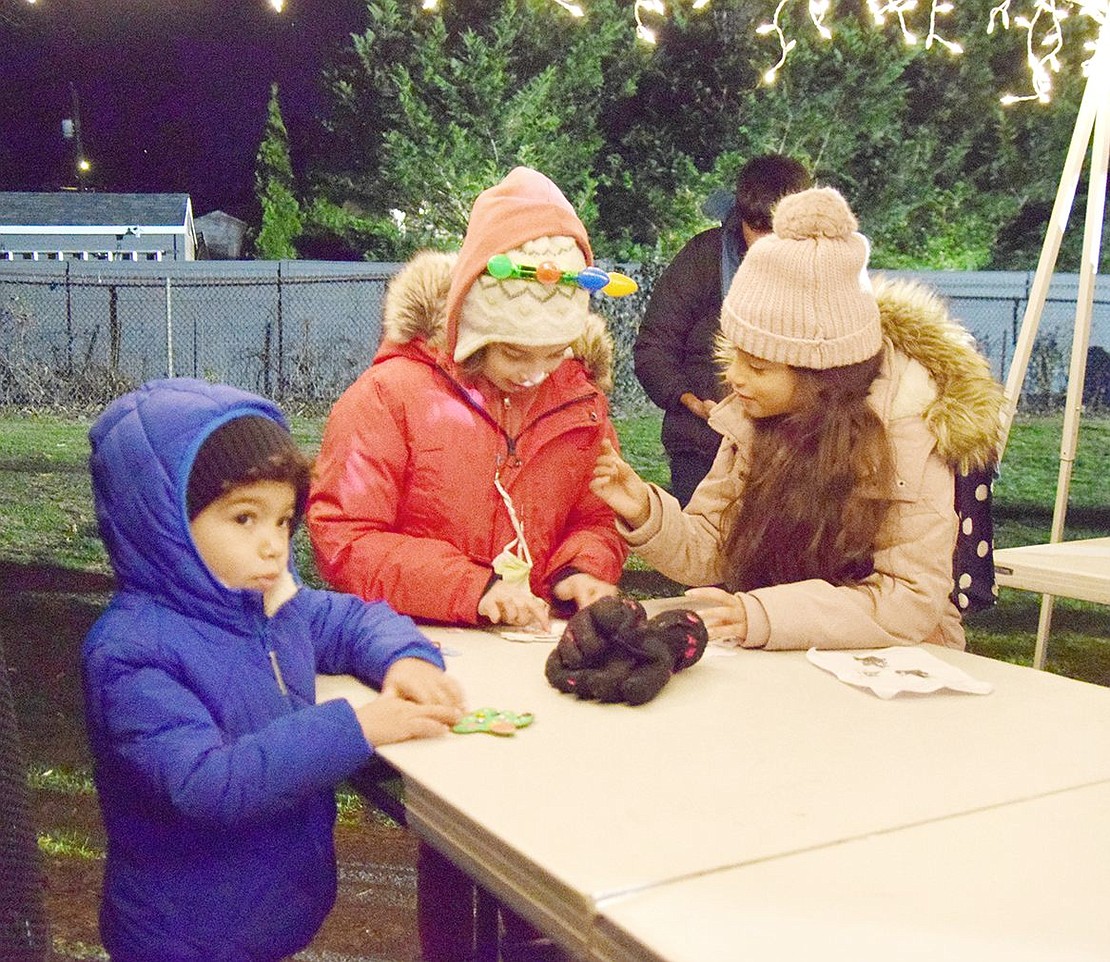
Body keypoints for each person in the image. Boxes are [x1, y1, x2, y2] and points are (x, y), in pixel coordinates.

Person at [82, 378, 464, 962]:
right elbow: (209, 784)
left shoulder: (266, 602)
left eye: (284, 521)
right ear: (163, 524)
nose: (273, 546)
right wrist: (359, 728)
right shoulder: (132, 653)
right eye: (244, 519)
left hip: (266, 914)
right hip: (183, 935)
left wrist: (404, 658)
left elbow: (347, 622)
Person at [594, 186, 1003, 651]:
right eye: (734, 355)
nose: (734, 379)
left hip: (897, 668)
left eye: (759, 366)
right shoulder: (757, 416)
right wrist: (645, 509)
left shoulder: (907, 425)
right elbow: (715, 544)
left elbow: (908, 600)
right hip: (788, 654)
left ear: (820, 375)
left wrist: (767, 614)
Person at [307, 166, 630, 632]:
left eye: (555, 352)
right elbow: (346, 538)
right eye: (515, 352)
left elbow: (598, 513)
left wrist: (581, 572)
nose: (536, 372)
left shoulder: (579, 399)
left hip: (532, 645)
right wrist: (471, 589)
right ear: (472, 328)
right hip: (414, 641)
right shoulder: (389, 396)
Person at [634, 154, 812, 505]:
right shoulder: (704, 256)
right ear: (741, 215)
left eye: (776, 231)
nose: (763, 242)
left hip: (788, 450)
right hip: (701, 442)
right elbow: (653, 347)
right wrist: (689, 400)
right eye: (755, 228)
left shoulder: (827, 269)